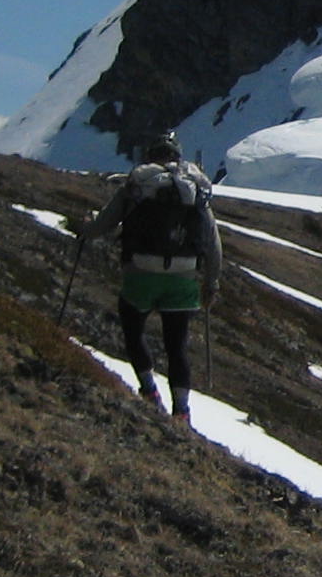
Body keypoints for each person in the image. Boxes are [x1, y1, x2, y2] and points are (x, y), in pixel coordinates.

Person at [85, 132, 220, 423]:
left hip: (142, 271)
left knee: (133, 330)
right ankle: (182, 410)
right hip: (183, 276)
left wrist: (85, 232)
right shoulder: (194, 187)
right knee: (177, 346)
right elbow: (212, 242)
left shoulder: (139, 183)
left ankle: (148, 390)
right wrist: (211, 282)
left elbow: (104, 224)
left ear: (150, 154)